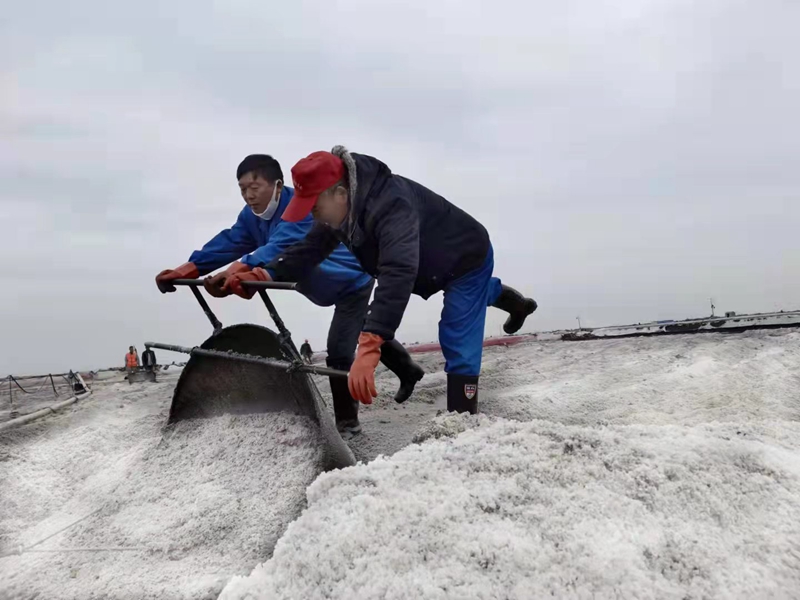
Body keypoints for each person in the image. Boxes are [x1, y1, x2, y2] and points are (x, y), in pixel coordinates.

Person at [155, 154, 424, 435]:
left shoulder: (304, 207)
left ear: (278, 185)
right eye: (242, 189)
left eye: (254, 187)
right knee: (362, 328)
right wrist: (189, 268)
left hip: (351, 281)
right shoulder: (250, 218)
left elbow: (281, 245)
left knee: (338, 349)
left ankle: (347, 425)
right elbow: (230, 241)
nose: (248, 196)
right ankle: (408, 369)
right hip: (319, 286)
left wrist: (238, 269)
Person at [258, 146, 537, 414]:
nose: (311, 214)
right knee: (474, 296)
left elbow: (397, 271)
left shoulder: (391, 206)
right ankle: (517, 304)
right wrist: (267, 272)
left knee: (458, 331)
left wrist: (370, 345)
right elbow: (311, 248)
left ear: (340, 194)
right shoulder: (341, 210)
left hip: (465, 257)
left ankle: (462, 420)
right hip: (429, 263)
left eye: (314, 207)